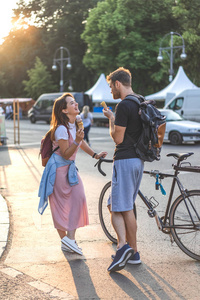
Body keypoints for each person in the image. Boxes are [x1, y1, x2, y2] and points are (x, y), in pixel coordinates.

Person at [38, 93, 107, 255]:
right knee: (60, 207)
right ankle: (67, 241)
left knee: (78, 199)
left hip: (68, 169)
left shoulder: (74, 124)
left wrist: (95, 155)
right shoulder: (61, 129)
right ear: (64, 110)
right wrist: (76, 140)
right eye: (72, 103)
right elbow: (66, 153)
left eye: (75, 102)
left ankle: (69, 240)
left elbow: (81, 143)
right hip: (58, 171)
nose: (76, 104)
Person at [103, 67, 144, 272]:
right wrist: (113, 117)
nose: (111, 91)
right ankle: (132, 252)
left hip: (125, 160)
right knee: (117, 204)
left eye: (111, 86)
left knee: (123, 207)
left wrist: (111, 121)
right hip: (138, 160)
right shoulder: (139, 100)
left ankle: (124, 248)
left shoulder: (124, 105)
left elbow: (118, 138)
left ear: (118, 84)